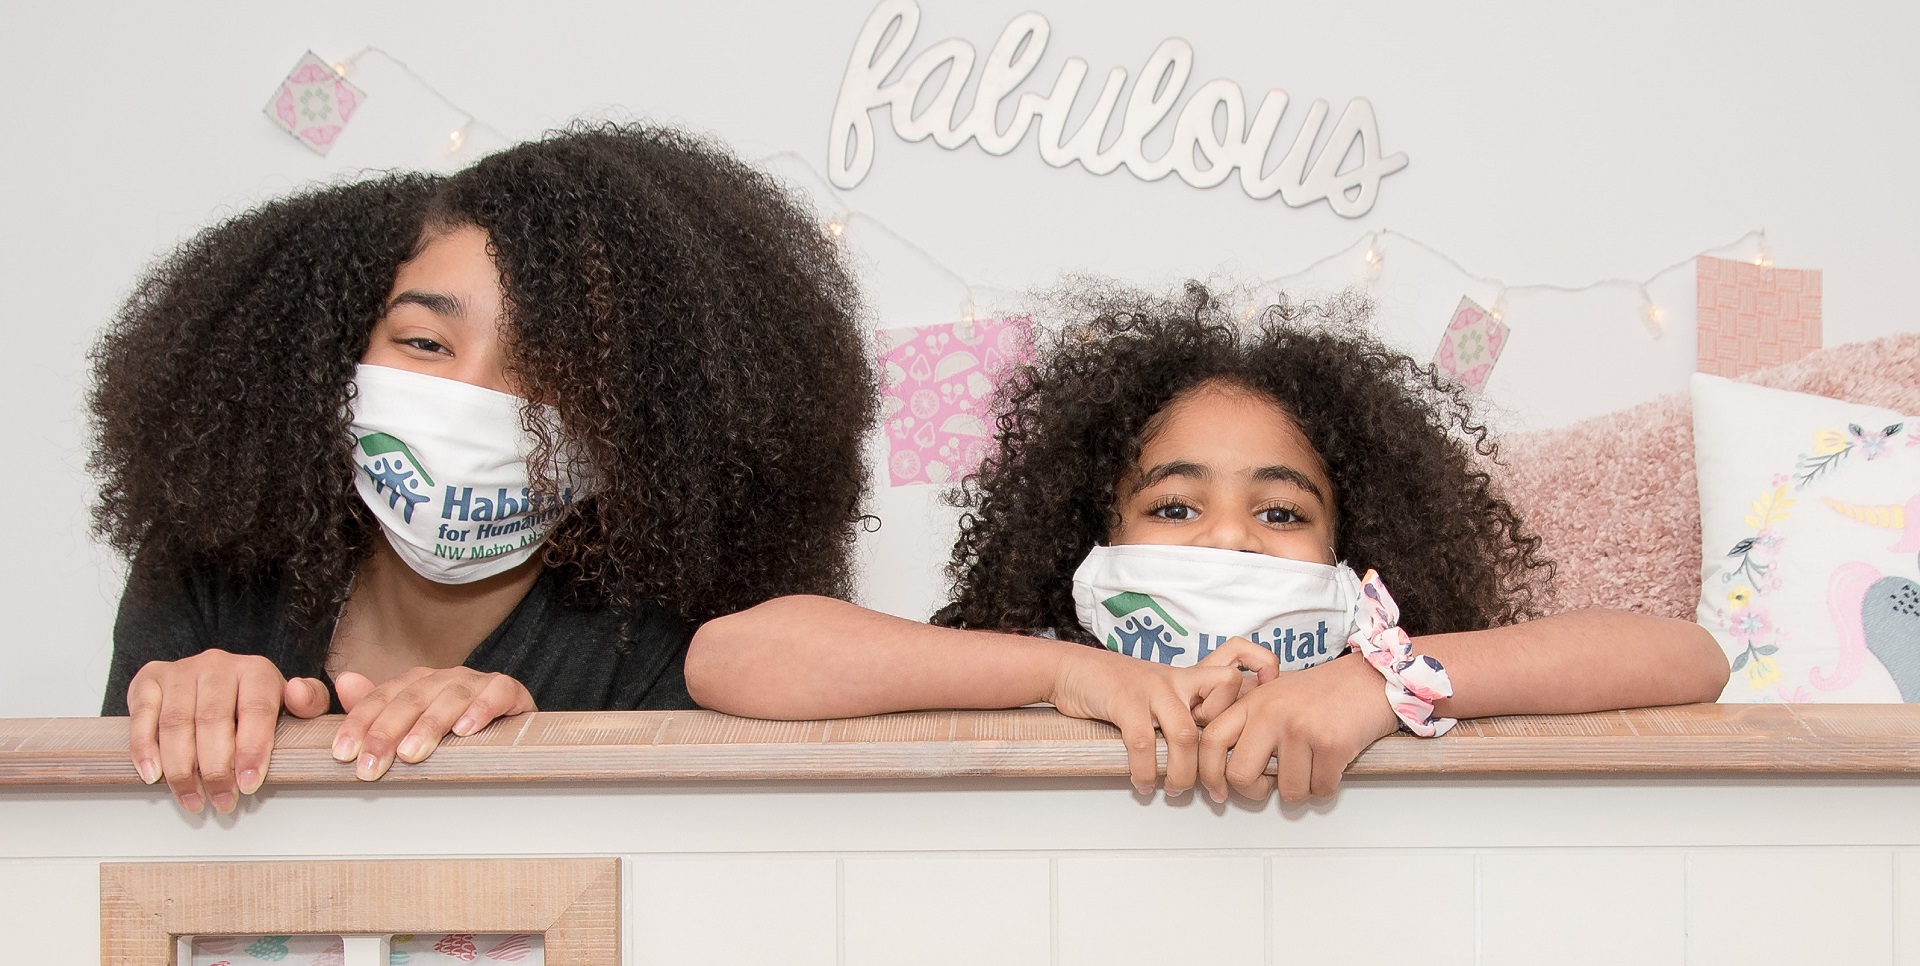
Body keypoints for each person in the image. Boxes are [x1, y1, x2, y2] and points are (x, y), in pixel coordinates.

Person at [685, 283, 1728, 803]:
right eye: (1176, 508)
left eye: (1281, 512)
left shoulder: (1397, 670)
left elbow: (1688, 657)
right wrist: (1064, 676)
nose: (1228, 536)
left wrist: (1374, 688)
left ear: (1346, 550)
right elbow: (730, 657)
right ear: (1099, 533)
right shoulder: (1038, 654)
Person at [91, 123, 875, 814]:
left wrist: (525, 759)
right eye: (424, 342)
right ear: (331, 350)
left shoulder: (662, 643)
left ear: (644, 416)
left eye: (550, 368)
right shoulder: (212, 572)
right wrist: (193, 728)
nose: (470, 397)